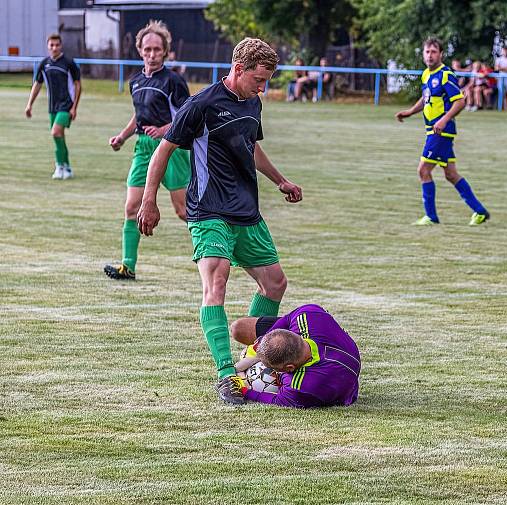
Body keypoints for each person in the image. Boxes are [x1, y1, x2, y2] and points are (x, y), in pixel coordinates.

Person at [137, 37, 303, 405]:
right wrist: (149, 201)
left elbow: (252, 145)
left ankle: (251, 362)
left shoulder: (253, 103)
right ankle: (227, 375)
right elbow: (163, 151)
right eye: (259, 79)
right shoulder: (201, 104)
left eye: (267, 81)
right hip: (208, 210)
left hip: (246, 210)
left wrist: (281, 180)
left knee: (275, 283)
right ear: (238, 69)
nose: (263, 87)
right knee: (218, 279)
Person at [105, 20, 192, 281]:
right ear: (140, 50)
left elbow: (188, 117)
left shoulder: (174, 81)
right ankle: (127, 266)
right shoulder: (136, 81)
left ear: (165, 51)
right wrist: (122, 136)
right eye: (147, 49)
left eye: (157, 49)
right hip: (143, 148)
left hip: (171, 148)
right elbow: (139, 116)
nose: (152, 54)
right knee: (132, 207)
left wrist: (165, 129)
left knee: (184, 210)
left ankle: (221, 249)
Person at [394, 38, 490, 226]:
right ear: (423, 54)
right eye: (427, 52)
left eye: (434, 52)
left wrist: (444, 119)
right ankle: (479, 211)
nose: (430, 55)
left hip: (440, 132)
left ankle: (431, 216)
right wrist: (410, 112)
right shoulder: (426, 75)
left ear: (441, 54)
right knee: (451, 174)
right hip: (433, 130)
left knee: (423, 170)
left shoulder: (445, 74)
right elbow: (426, 98)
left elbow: (460, 101)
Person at [229, 304, 360, 408]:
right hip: (345, 353)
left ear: (290, 368)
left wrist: (244, 389)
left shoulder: (300, 387)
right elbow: (287, 319)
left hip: (339, 383)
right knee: (239, 328)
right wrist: (263, 341)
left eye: (274, 369)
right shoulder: (307, 314)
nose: (272, 371)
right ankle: (263, 351)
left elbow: (277, 399)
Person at [25, 33, 82, 180]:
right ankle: (67, 167)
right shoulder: (44, 64)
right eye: (52, 45)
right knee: (59, 136)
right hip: (53, 106)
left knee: (55, 132)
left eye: (57, 45)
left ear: (61, 46)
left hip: (66, 105)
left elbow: (77, 85)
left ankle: (59, 166)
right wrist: (29, 105)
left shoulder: (69, 63)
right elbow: (37, 85)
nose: (54, 48)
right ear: (48, 46)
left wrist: (74, 107)